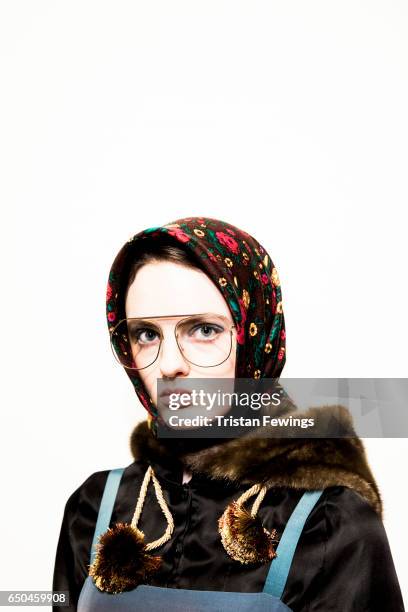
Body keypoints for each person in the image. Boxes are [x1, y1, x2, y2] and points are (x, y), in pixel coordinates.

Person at [52, 216, 404, 611]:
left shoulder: (328, 523)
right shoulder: (97, 506)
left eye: (203, 330)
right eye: (146, 334)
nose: (169, 365)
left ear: (255, 337)